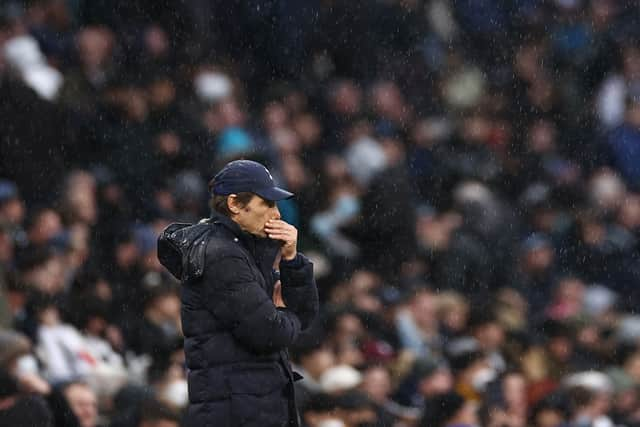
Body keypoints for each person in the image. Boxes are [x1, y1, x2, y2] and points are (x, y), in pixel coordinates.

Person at [158, 159, 319, 427]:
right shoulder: (222, 256)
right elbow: (269, 333)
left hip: (251, 406)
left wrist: (291, 260)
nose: (276, 214)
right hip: (236, 412)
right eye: (267, 203)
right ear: (234, 204)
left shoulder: (247, 250)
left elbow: (305, 317)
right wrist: (281, 313)